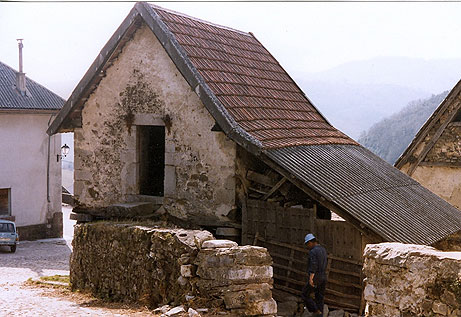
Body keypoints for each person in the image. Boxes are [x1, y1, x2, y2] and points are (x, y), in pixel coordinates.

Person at [301, 233, 328, 317]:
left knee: (305, 294)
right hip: (323, 276)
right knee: (319, 297)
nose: (307, 246)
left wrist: (311, 278)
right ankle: (320, 315)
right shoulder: (323, 250)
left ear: (311, 242)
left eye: (307, 244)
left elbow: (314, 264)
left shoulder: (313, 252)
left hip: (316, 277)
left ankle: (315, 310)